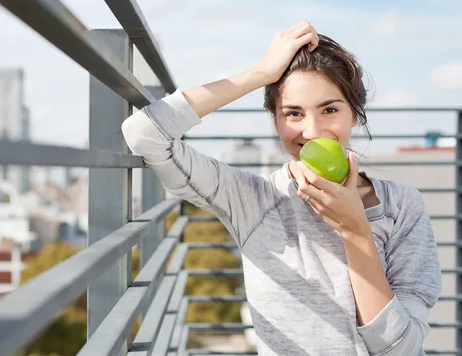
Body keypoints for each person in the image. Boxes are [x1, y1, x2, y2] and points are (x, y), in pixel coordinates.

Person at [121, 21, 442, 356]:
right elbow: (145, 133)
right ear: (273, 118)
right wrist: (259, 74)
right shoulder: (253, 199)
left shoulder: (402, 206)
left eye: (330, 109)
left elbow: (402, 349)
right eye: (293, 113)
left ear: (354, 114)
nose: (313, 130)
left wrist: (356, 231)